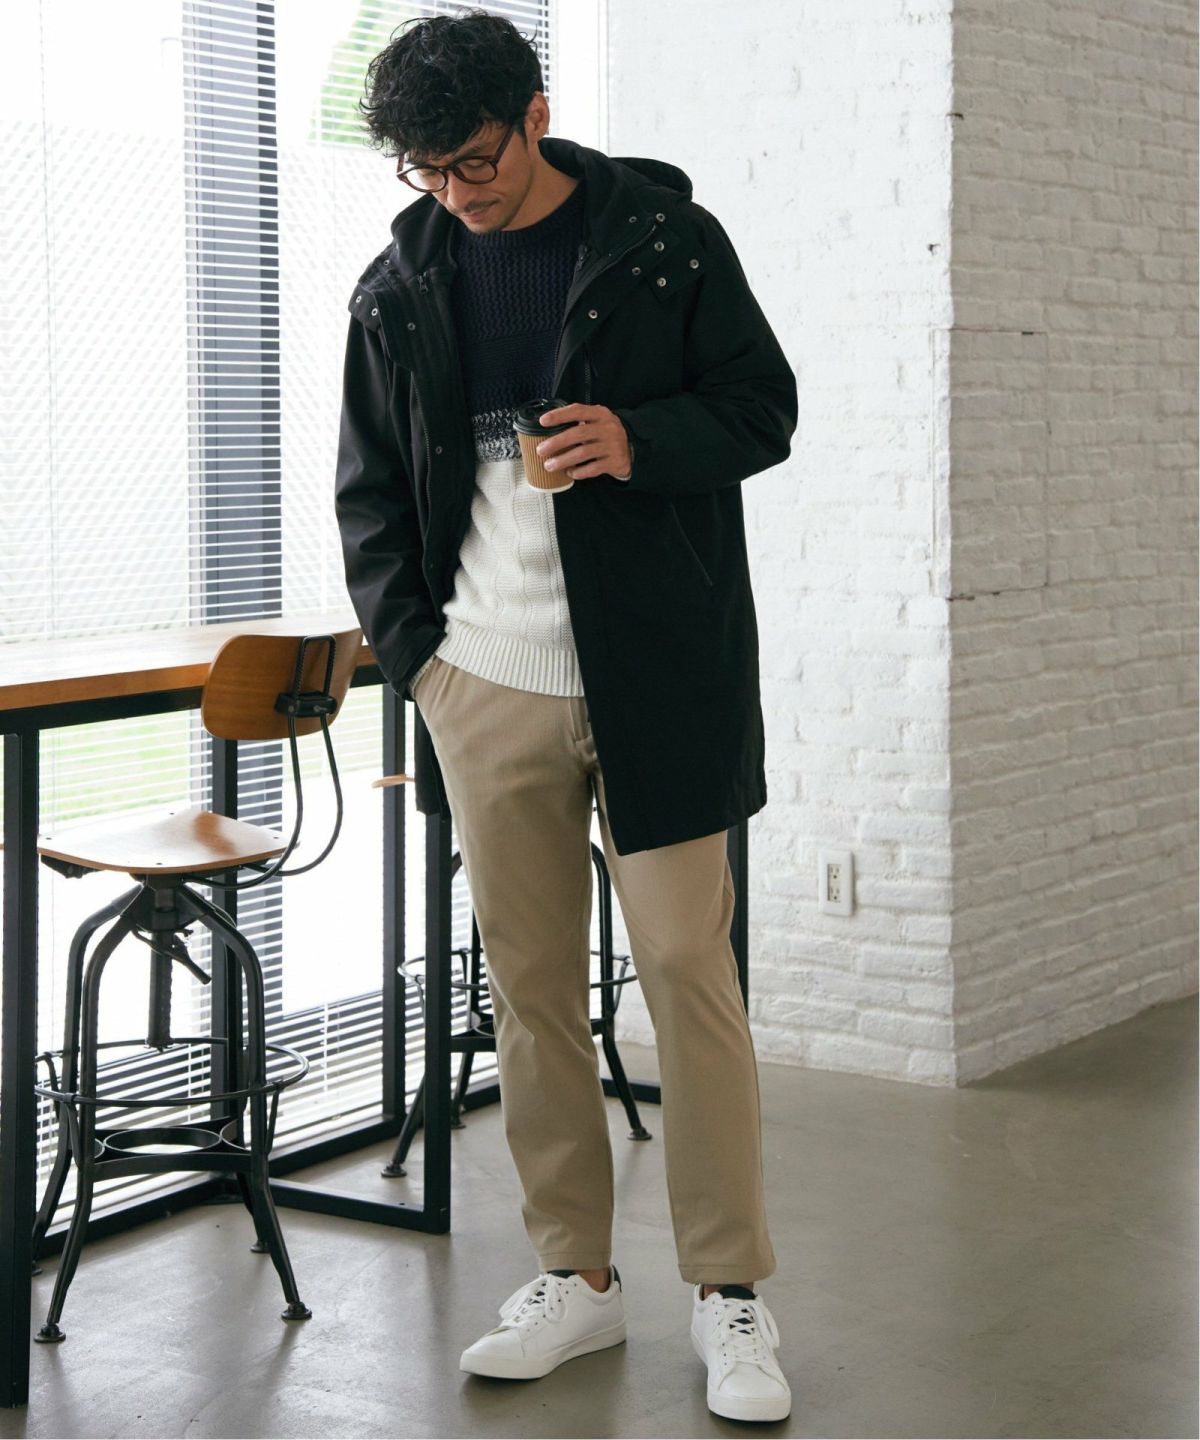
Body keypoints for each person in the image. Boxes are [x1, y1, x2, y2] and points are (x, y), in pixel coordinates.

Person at [334, 8, 797, 1424]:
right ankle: (576, 1281)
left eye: (474, 160)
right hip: (487, 686)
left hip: (659, 680)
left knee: (688, 970)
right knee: (531, 996)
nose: (456, 193)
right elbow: (367, 497)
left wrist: (639, 440)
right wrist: (425, 667)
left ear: (534, 117)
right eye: (426, 171)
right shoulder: (397, 286)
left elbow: (765, 408)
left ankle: (729, 1294)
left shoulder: (665, 242)